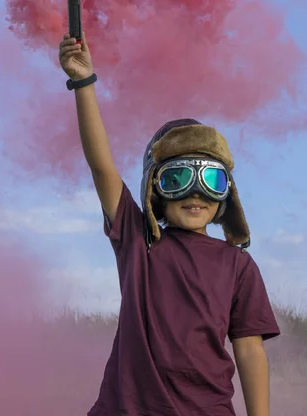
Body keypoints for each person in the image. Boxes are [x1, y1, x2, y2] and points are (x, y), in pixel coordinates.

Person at [59, 31, 281, 416]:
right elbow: (102, 167)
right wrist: (83, 81)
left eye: (211, 181)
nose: (195, 193)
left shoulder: (238, 265)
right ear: (155, 190)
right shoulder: (138, 238)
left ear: (226, 194)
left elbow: (249, 348)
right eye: (177, 179)